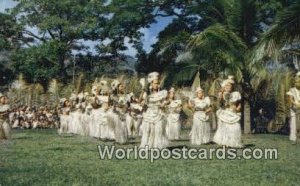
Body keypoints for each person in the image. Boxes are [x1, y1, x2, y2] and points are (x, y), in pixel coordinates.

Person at [140, 72, 169, 149]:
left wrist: (164, 103)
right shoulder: (147, 94)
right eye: (155, 83)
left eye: (158, 83)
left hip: (159, 113)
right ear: (151, 84)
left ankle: (157, 146)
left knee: (158, 130)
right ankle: (147, 145)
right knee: (148, 130)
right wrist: (143, 102)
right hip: (149, 114)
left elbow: (167, 100)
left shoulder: (163, 93)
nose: (157, 85)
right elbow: (141, 102)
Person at [213, 76, 243, 148]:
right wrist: (221, 94)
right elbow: (219, 104)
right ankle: (224, 143)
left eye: (229, 85)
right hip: (225, 112)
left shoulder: (236, 94)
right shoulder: (222, 94)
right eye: (226, 85)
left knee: (234, 128)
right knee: (224, 128)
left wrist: (237, 108)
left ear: (232, 86)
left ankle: (232, 143)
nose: (228, 86)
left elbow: (239, 104)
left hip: (233, 113)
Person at [286, 72, 300, 144]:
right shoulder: (292, 90)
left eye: (298, 81)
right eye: (295, 82)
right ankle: (294, 138)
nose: (296, 83)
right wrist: (296, 104)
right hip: (294, 109)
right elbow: (290, 99)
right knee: (294, 124)